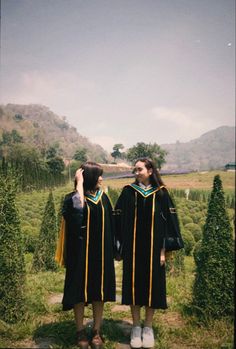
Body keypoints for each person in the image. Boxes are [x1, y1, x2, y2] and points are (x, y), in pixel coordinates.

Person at [115, 158, 184, 348]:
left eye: (139, 169)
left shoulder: (161, 194)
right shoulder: (128, 192)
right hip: (133, 250)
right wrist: (119, 247)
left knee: (152, 288)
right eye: (134, 170)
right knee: (134, 287)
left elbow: (169, 224)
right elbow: (117, 221)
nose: (136, 172)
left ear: (150, 170)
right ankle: (135, 327)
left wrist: (163, 250)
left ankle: (148, 327)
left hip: (155, 251)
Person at [56, 162, 116, 349]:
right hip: (80, 255)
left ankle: (97, 330)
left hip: (100, 254)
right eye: (98, 175)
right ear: (88, 177)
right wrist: (79, 185)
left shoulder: (104, 198)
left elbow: (112, 226)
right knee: (79, 293)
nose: (101, 178)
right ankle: (80, 330)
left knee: (99, 292)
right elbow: (77, 213)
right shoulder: (72, 198)